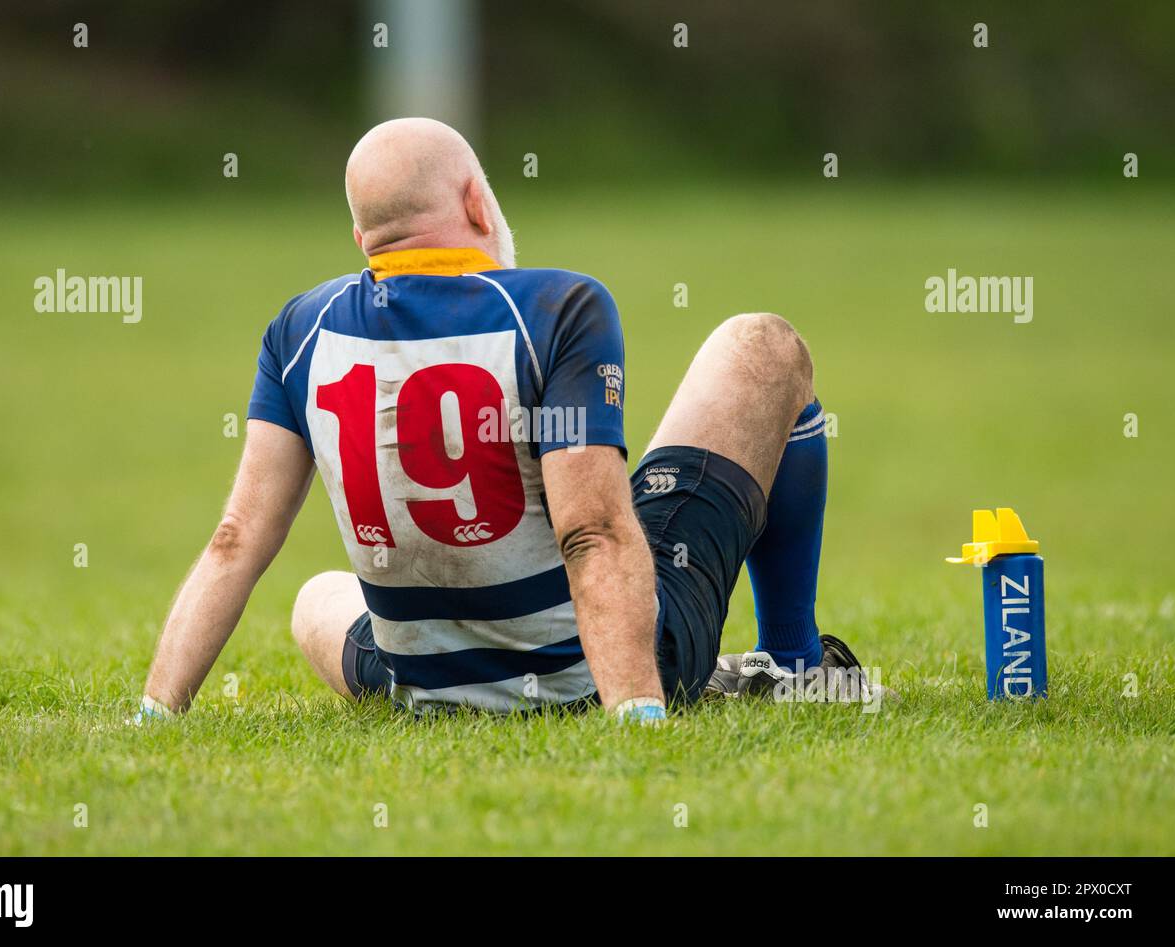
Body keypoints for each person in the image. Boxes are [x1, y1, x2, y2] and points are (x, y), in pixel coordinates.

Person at [137, 117, 880, 725]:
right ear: (478, 205)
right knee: (763, 346)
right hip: (589, 674)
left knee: (313, 599)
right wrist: (637, 715)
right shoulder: (557, 306)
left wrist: (156, 714)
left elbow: (235, 539)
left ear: (365, 243)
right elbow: (591, 530)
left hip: (424, 686)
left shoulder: (300, 328)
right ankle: (794, 660)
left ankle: (455, 667)